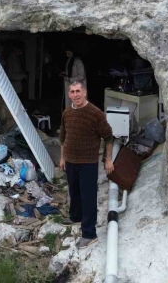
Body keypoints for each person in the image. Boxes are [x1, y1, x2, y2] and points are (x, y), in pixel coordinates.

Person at [59, 80, 114, 249]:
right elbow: (63, 137)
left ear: (84, 93)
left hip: (88, 163)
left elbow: (109, 137)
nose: (75, 95)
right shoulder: (67, 113)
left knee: (88, 197)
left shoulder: (95, 113)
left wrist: (108, 159)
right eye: (72, 92)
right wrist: (62, 158)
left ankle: (89, 234)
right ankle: (75, 217)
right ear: (69, 94)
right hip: (70, 160)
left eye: (78, 91)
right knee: (73, 190)